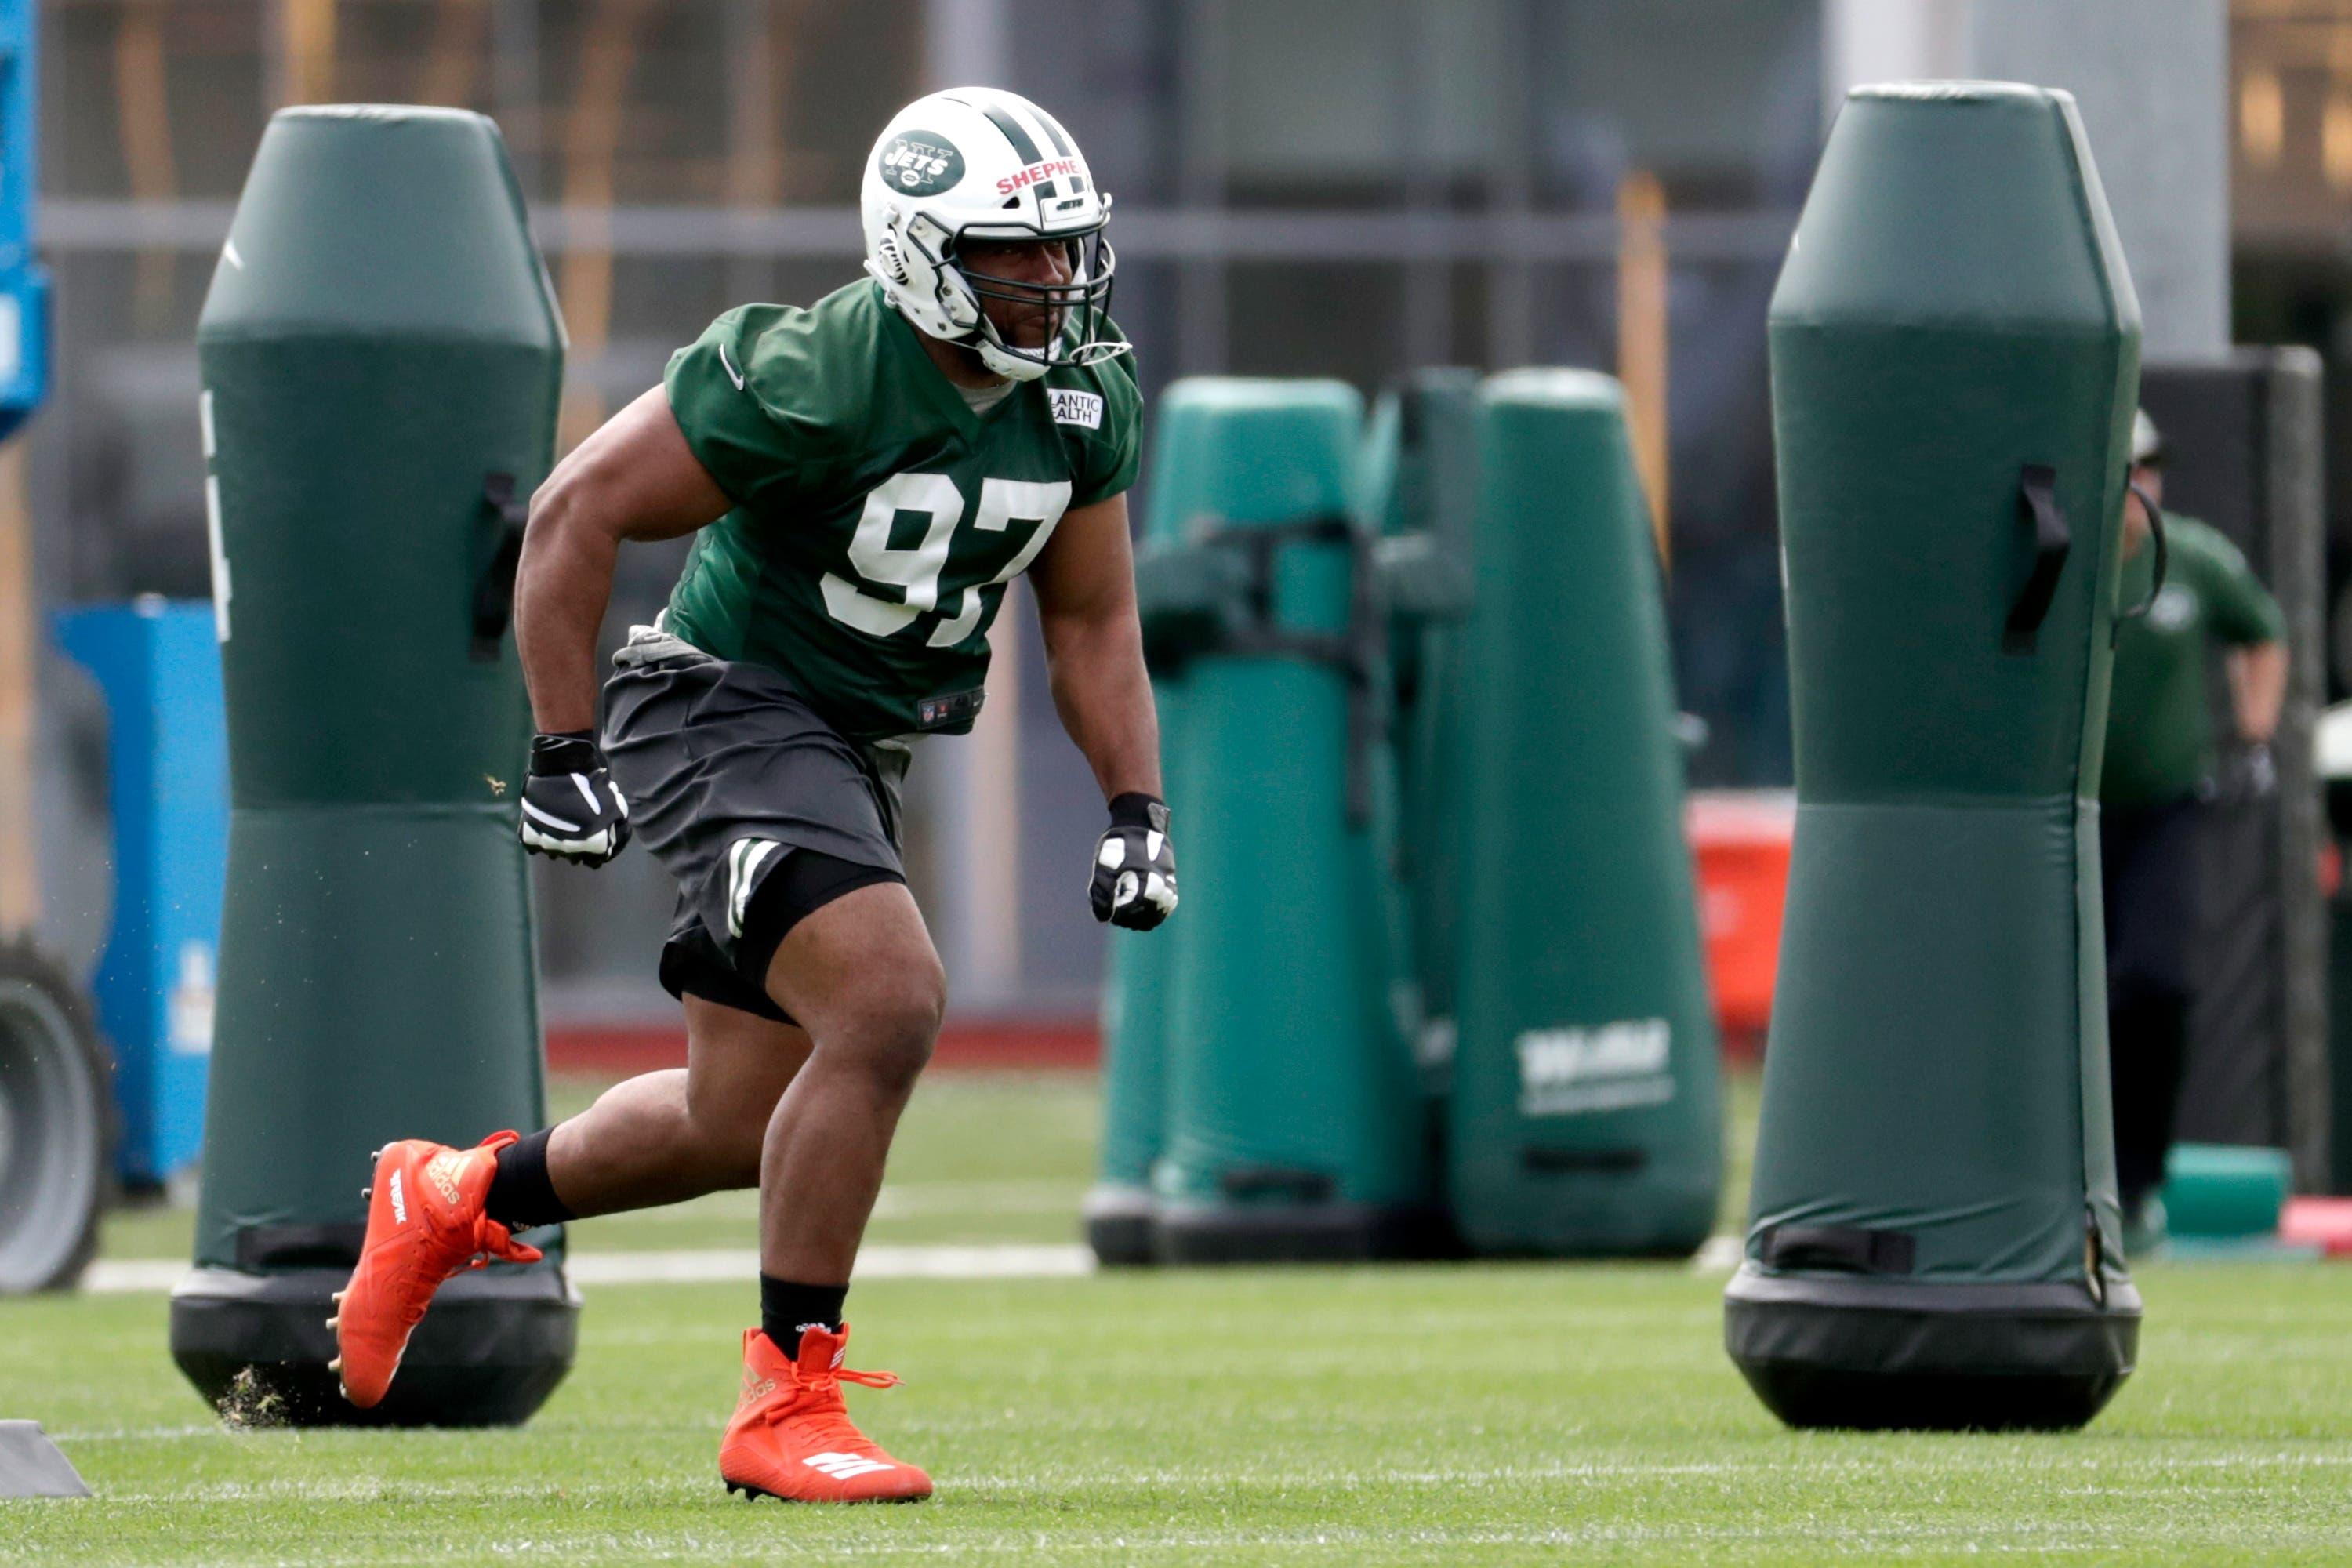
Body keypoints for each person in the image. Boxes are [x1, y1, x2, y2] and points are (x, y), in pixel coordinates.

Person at [325, 87, 1177, 1504]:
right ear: (916, 257)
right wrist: (561, 744)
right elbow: (575, 509)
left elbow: (1088, 620)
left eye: (1066, 247)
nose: (1052, 282)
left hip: (849, 741)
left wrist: (1136, 810)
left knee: (736, 1120)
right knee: (890, 999)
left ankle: (455, 1195)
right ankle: (787, 1400)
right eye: (1011, 255)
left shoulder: (1084, 393)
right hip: (719, 705)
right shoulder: (813, 372)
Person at [2101, 408, 2288, 1254]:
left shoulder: (2193, 558)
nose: (2142, 480)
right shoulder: (2067, 562)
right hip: (2067, 814)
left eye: (2151, 464)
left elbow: (2263, 630)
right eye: (2126, 462)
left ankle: (2138, 1184)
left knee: (2159, 978)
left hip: (2166, 807)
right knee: (2062, 997)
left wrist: (2252, 734)